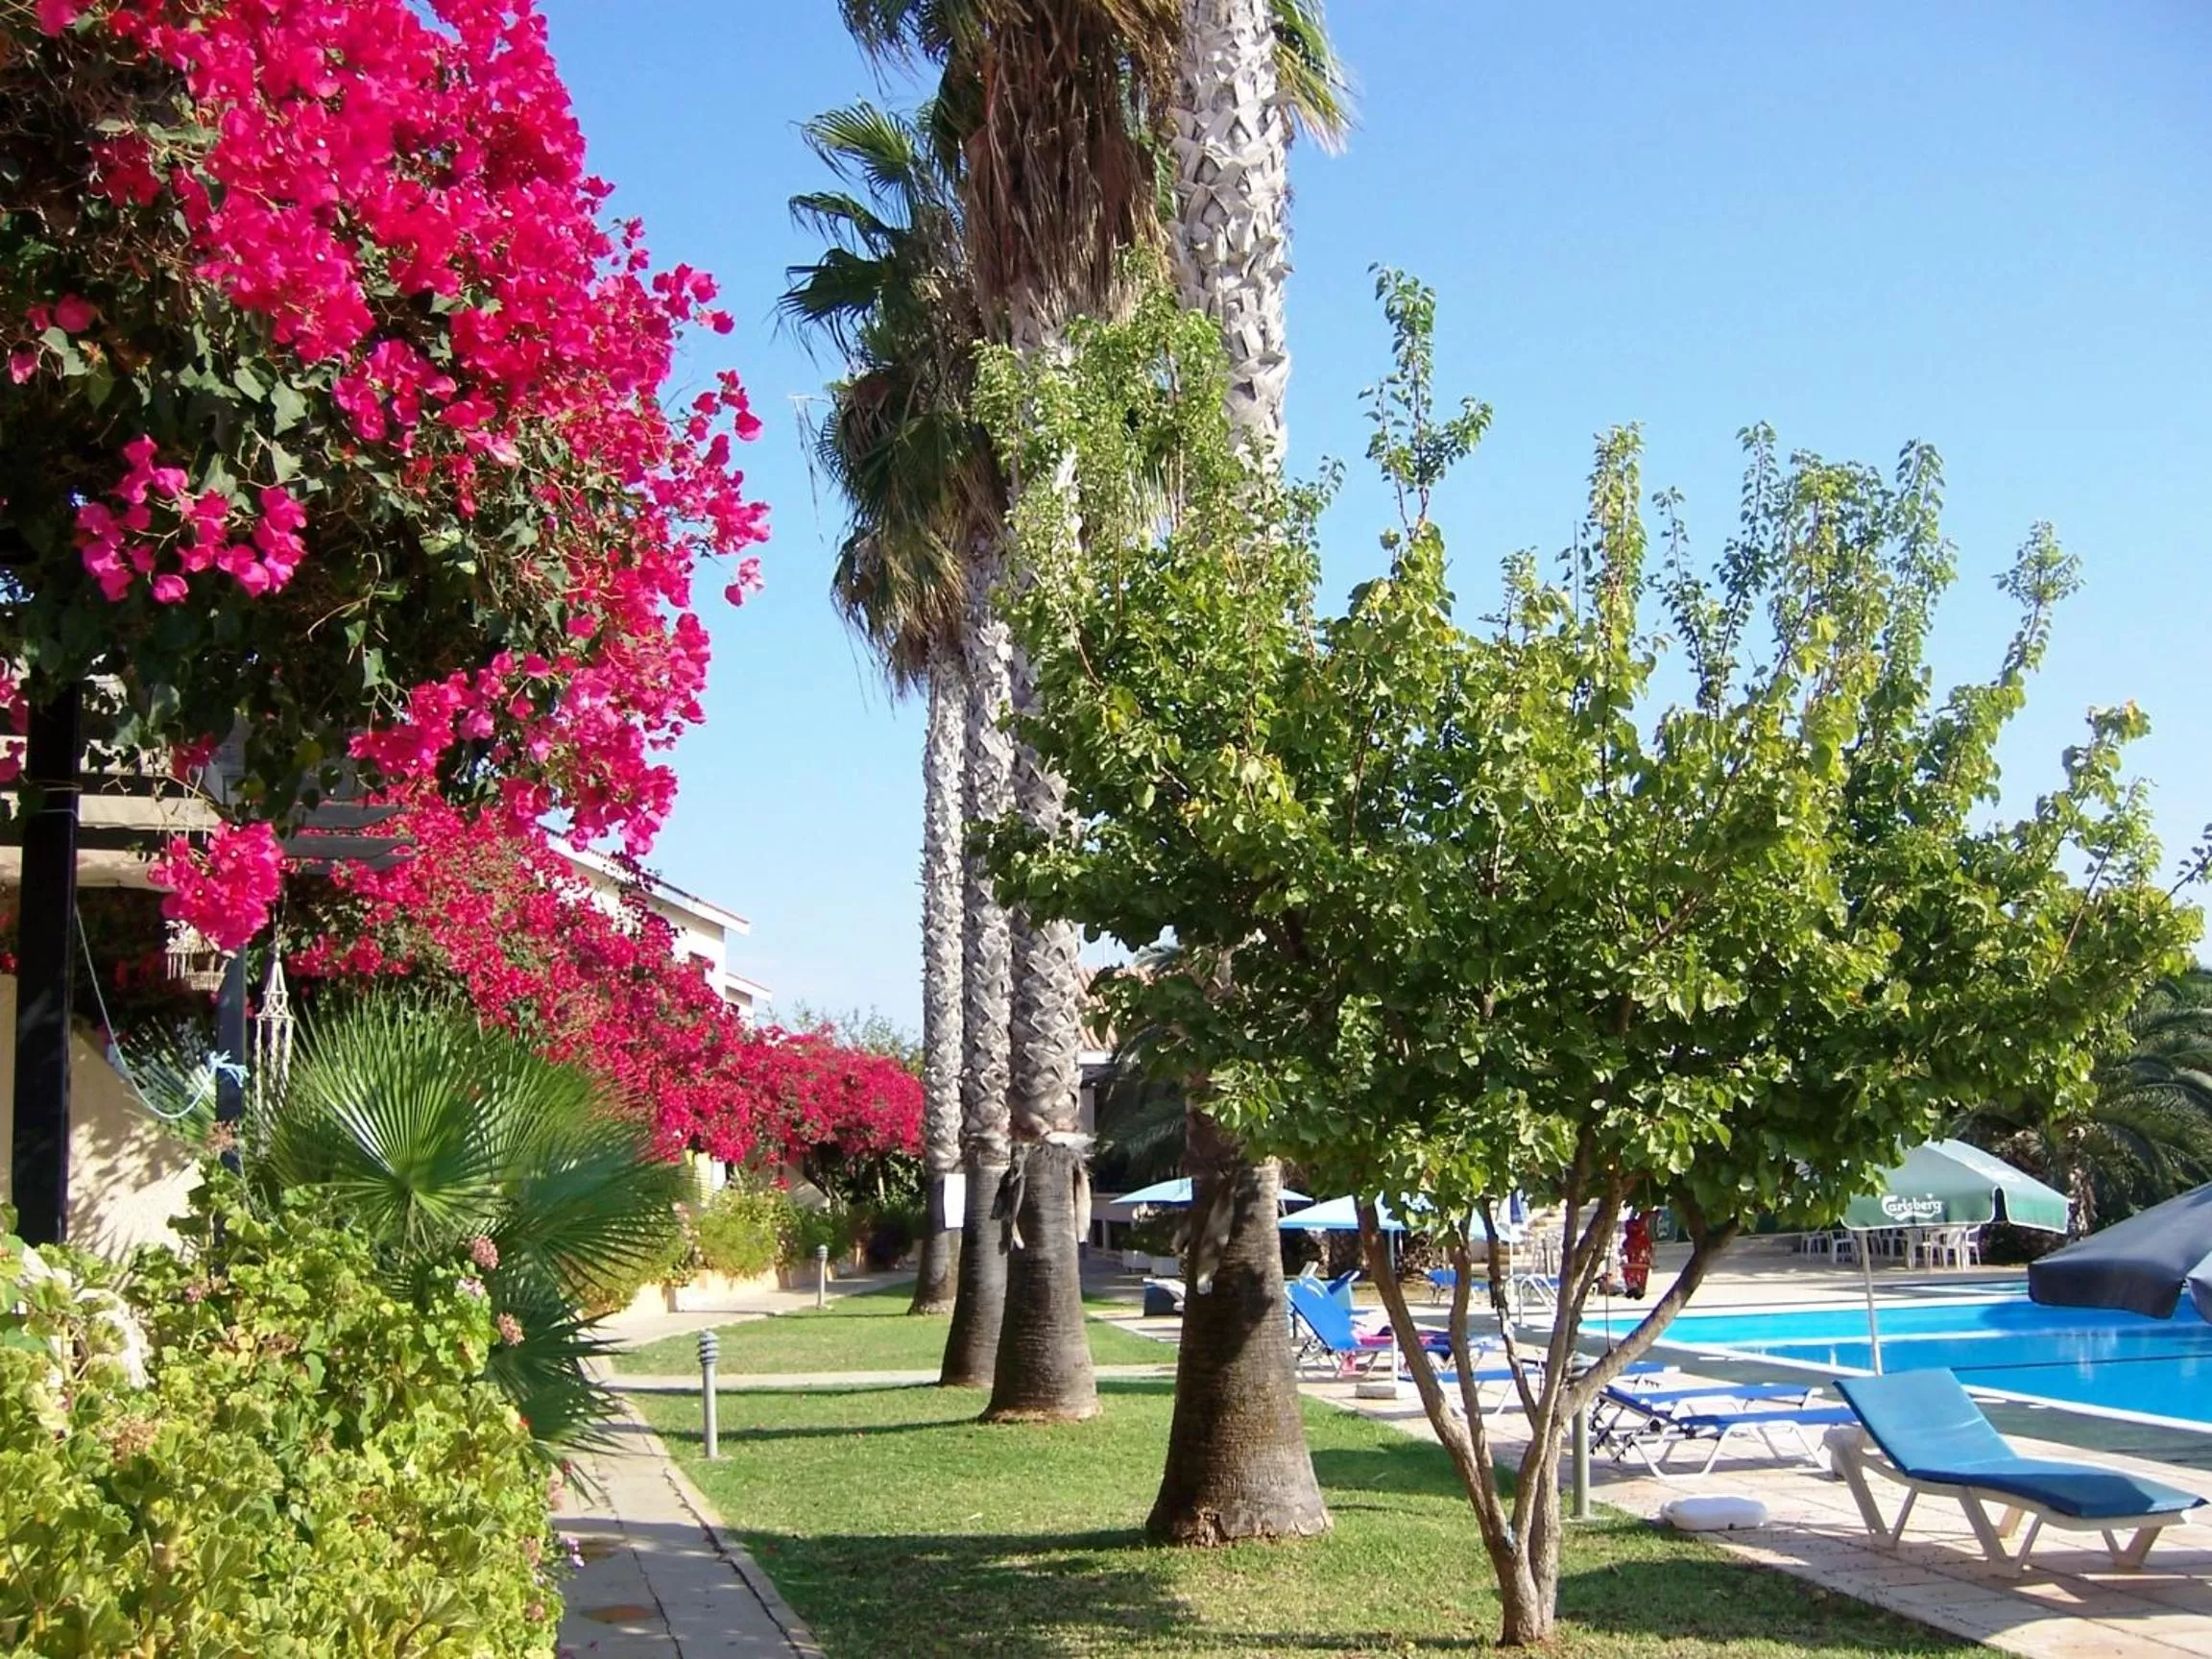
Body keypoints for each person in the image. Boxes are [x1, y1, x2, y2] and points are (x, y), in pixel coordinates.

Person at [1621, 1209, 1654, 1299]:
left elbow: (1625, 1268)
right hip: (1639, 1250)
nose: (1630, 1285)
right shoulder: (1640, 1279)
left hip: (1634, 1249)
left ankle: (1636, 1211)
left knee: (1636, 1229)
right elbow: (1645, 1267)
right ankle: (1641, 1210)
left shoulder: (1630, 1279)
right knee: (1640, 1229)